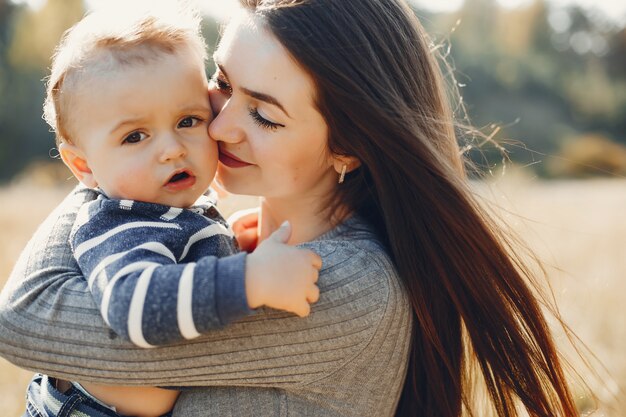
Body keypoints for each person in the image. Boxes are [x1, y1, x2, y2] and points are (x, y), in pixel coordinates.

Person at [0, 0, 579, 416]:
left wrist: (105, 167)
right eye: (222, 84)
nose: (217, 124)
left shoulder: (337, 289)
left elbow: (26, 319)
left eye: (264, 114)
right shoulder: (246, 246)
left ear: (350, 146)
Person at [12, 3, 322, 416]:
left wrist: (224, 236)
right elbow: (133, 305)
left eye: (188, 121)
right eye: (135, 136)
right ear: (84, 166)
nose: (172, 149)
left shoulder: (161, 212)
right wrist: (250, 278)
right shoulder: (120, 224)